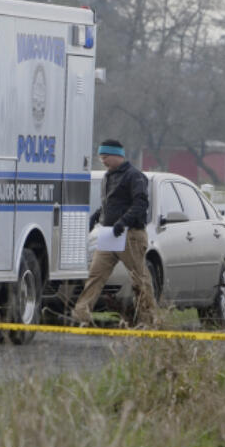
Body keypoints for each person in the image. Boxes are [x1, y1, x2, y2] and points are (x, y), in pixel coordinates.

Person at [71, 139, 161, 328]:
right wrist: (95, 217)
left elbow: (141, 203)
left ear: (117, 155)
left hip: (130, 235)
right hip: (108, 235)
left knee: (139, 278)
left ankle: (148, 320)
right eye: (101, 157)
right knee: (95, 275)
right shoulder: (107, 177)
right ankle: (81, 316)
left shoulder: (134, 176)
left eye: (105, 157)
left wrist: (123, 222)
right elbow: (109, 204)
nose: (103, 161)